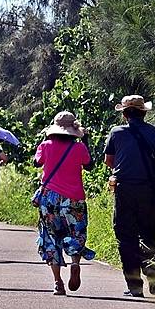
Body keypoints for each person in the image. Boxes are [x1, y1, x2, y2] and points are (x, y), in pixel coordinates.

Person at [104, 95, 155, 298]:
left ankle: (135, 286)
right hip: (148, 190)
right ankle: (151, 270)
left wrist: (125, 166)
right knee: (147, 233)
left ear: (125, 114)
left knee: (126, 237)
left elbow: (109, 161)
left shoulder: (116, 132)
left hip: (125, 189)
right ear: (144, 113)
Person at [34, 111, 96, 296]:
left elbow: (37, 163)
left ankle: (57, 282)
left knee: (51, 237)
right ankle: (75, 263)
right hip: (74, 198)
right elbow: (89, 165)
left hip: (50, 199)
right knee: (77, 233)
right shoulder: (78, 148)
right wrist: (85, 141)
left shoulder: (45, 145)